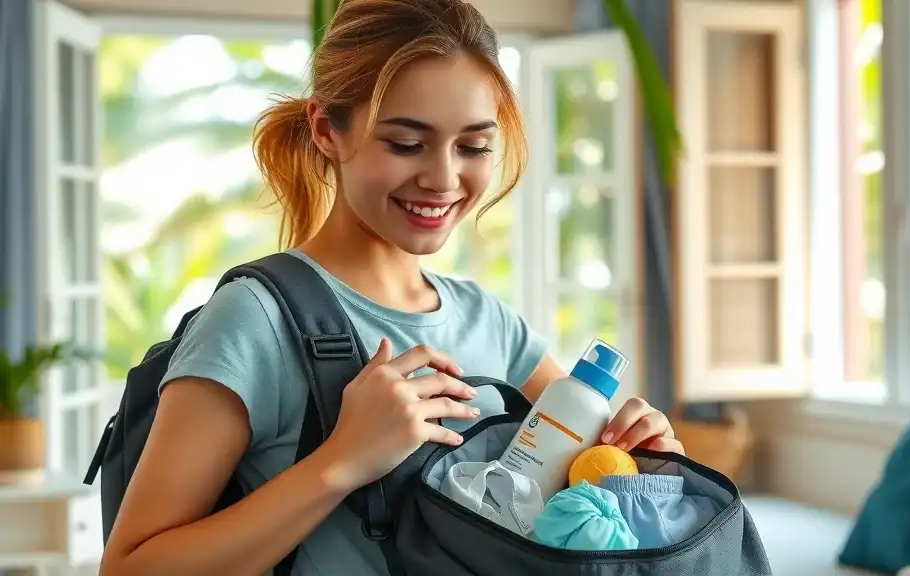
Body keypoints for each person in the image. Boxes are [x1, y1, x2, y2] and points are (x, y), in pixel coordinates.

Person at [98, 0, 685, 574]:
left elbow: (580, 500)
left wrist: (647, 462)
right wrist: (341, 461)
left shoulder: (492, 323)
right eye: (406, 143)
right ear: (327, 130)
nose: (444, 178)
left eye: (475, 146)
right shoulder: (253, 321)